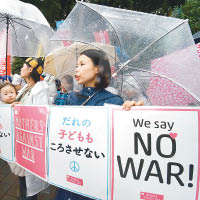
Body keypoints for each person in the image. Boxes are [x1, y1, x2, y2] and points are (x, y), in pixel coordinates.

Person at [55, 49, 143, 200]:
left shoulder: (114, 101)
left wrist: (134, 115)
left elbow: (122, 145)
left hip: (93, 181)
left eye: (82, 64)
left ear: (98, 68)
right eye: (76, 65)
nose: (77, 69)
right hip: (68, 174)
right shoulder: (71, 97)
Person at [12, 57, 51, 200]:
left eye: (23, 66)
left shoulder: (40, 89)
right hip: (22, 140)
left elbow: (41, 118)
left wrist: (21, 109)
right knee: (22, 179)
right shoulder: (26, 87)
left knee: (29, 184)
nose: (21, 69)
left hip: (31, 143)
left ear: (30, 70)